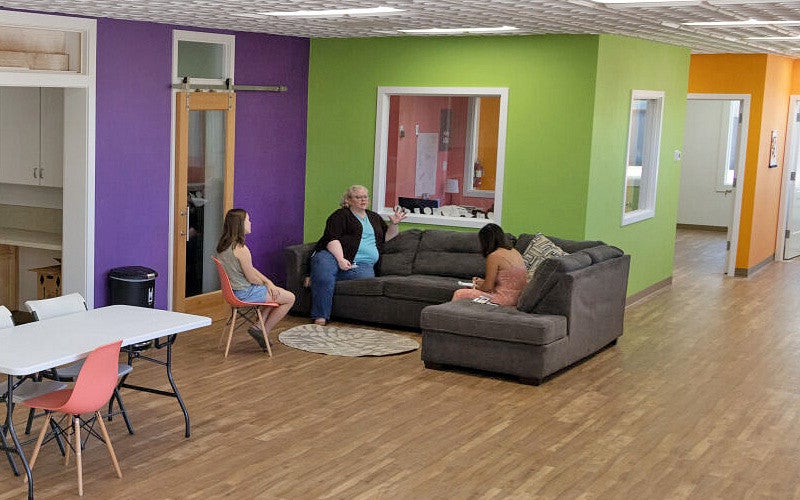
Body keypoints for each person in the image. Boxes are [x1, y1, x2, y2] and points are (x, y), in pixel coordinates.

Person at [310, 185, 406, 326]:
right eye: (358, 197)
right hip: (333, 256)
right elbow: (332, 238)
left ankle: (317, 277)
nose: (363, 200)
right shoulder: (340, 215)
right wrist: (341, 259)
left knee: (364, 277)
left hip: (362, 264)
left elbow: (386, 238)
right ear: (348, 200)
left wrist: (394, 224)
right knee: (324, 270)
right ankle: (321, 317)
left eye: (365, 197)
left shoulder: (374, 217)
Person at [215, 208, 295, 350]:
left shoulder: (223, 247)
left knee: (274, 292)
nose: (250, 223)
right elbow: (252, 278)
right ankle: (263, 330)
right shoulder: (241, 249)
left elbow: (250, 270)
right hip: (245, 293)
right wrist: (266, 284)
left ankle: (259, 325)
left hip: (233, 292)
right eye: (248, 220)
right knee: (289, 298)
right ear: (240, 224)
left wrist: (268, 283)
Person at [452, 223, 527, 306]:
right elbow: (506, 281)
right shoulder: (514, 251)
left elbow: (487, 288)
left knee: (459, 293)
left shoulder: (494, 256)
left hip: (503, 299)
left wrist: (475, 286)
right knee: (471, 289)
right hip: (517, 298)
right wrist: (481, 282)